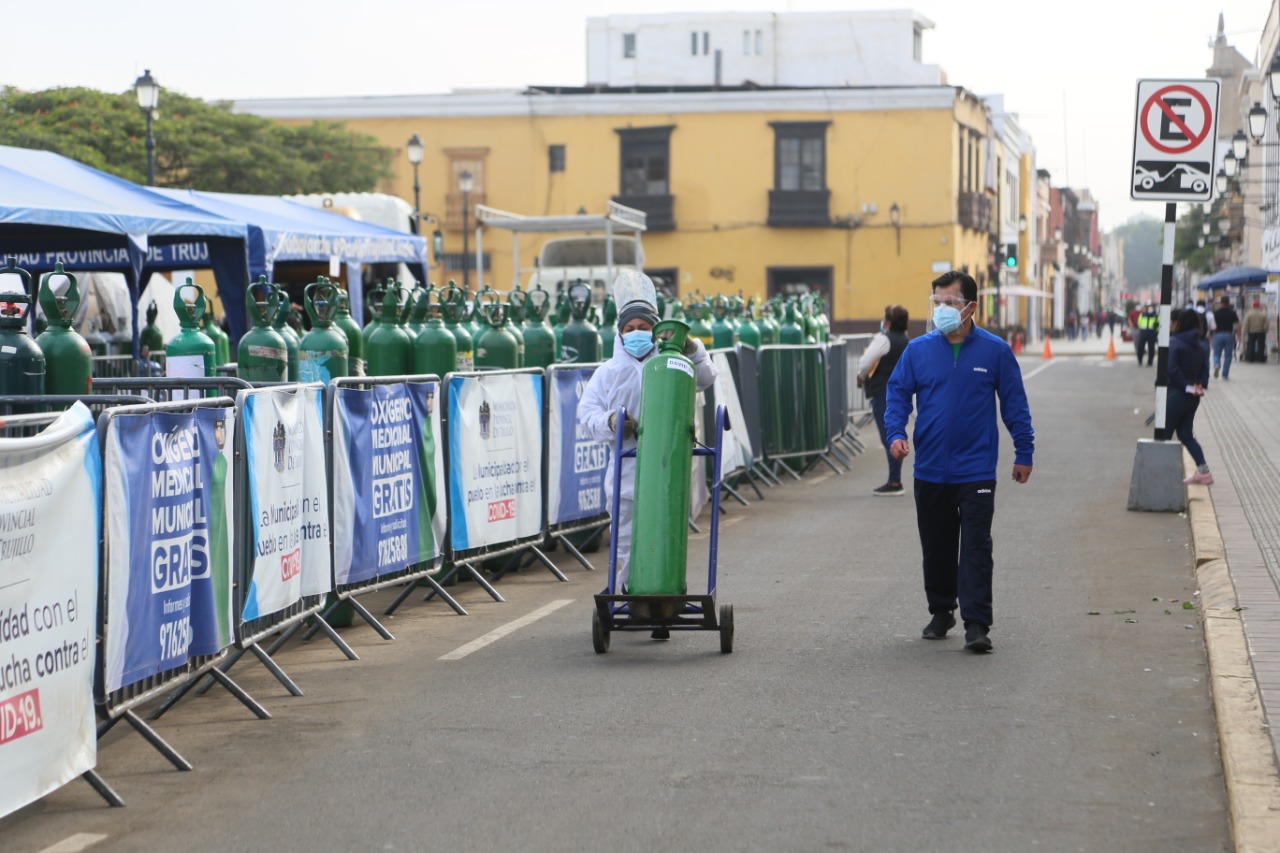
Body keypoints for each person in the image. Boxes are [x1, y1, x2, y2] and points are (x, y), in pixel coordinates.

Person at [884, 270, 1035, 653]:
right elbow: (898, 394)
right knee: (936, 545)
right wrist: (896, 434)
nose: (942, 310)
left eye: (950, 303)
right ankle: (941, 610)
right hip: (930, 469)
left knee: (976, 547)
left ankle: (977, 622)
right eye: (937, 302)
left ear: (970, 306)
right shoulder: (918, 351)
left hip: (977, 469)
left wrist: (1024, 451)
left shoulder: (995, 351)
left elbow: (1014, 404)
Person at [577, 271, 717, 625]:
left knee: (665, 541)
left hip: (667, 473)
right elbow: (586, 412)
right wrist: (611, 422)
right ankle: (633, 603)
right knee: (625, 546)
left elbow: (706, 378)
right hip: (626, 477)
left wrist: (692, 347)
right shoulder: (608, 373)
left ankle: (665, 602)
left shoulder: (674, 365)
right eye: (630, 327)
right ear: (619, 331)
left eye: (644, 326)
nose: (637, 332)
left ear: (656, 330)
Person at [856, 304, 910, 496]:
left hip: (883, 391)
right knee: (896, 433)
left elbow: (865, 362)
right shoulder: (906, 340)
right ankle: (895, 479)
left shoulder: (883, 339)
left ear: (887, 322)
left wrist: (861, 376)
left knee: (889, 436)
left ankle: (894, 481)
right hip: (901, 393)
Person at [1168, 308, 1213, 486]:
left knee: (1163, 435)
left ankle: (1163, 474)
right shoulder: (1200, 346)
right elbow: (1205, 370)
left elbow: (1171, 369)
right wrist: (1199, 385)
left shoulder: (1175, 342)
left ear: (1179, 323)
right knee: (1186, 434)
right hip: (1193, 397)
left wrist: (1186, 386)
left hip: (1176, 395)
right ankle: (1203, 471)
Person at [1211, 295, 1240, 380]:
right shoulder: (1232, 313)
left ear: (1221, 303)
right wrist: (1239, 337)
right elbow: (1237, 325)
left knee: (1216, 353)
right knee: (1228, 356)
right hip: (1228, 335)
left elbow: (1212, 326)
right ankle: (1225, 374)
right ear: (1228, 303)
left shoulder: (1215, 313)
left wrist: (1211, 337)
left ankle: (1216, 364)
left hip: (1217, 334)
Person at [1242, 299, 1269, 363]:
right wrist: (1265, 330)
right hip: (1261, 331)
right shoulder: (1263, 313)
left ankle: (1250, 358)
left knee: (1251, 345)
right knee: (1261, 345)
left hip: (1251, 331)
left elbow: (1246, 323)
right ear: (1259, 306)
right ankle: (1260, 358)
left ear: (1253, 306)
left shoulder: (1249, 314)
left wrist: (1244, 331)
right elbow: (1266, 323)